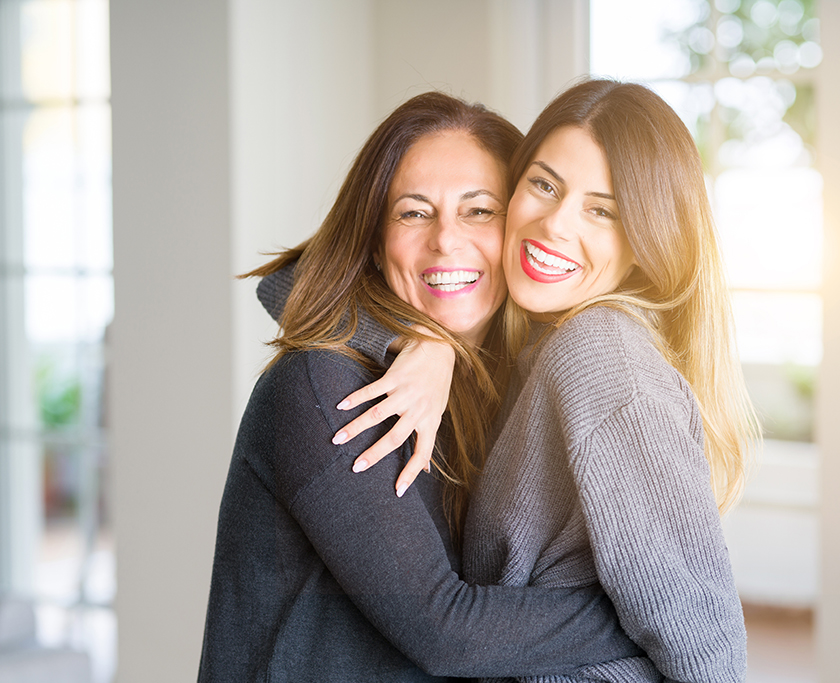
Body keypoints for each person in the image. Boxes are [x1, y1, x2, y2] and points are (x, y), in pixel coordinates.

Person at [197, 91, 642, 682]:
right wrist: (652, 614)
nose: (445, 239)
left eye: (479, 211)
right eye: (412, 212)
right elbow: (447, 633)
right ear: (375, 240)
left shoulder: (508, 378)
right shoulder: (324, 387)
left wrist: (432, 345)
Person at [335, 79, 761, 682]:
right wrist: (420, 339)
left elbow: (704, 643)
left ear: (645, 240)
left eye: (602, 209)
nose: (555, 225)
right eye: (544, 185)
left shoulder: (599, 353)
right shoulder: (534, 342)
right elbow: (305, 280)